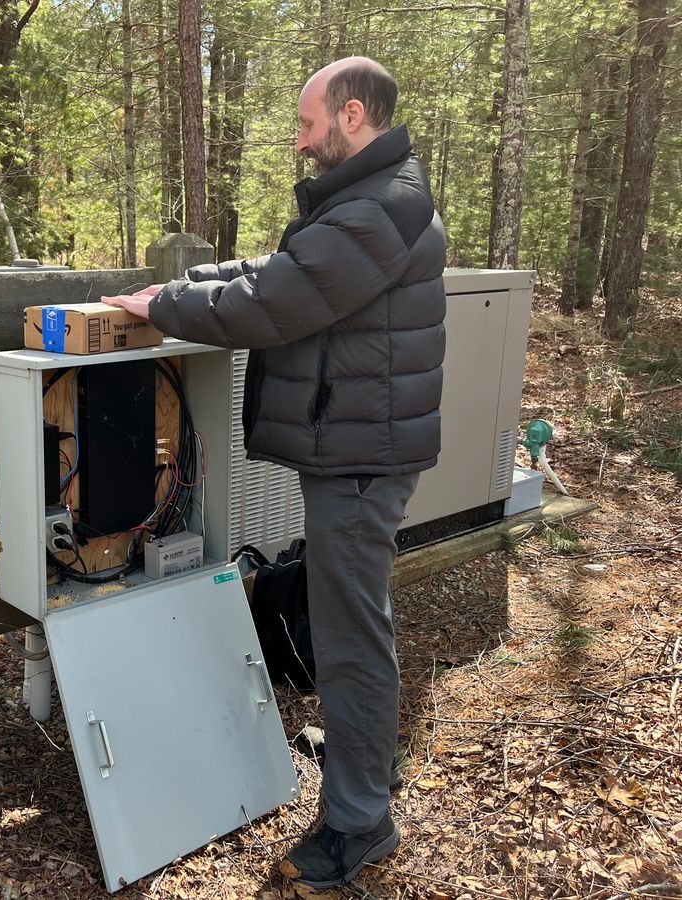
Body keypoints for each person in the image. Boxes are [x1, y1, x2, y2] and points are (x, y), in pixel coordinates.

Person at [103, 56, 446, 889]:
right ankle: (367, 767)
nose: (300, 141)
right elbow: (274, 269)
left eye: (307, 124)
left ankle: (359, 823)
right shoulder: (367, 203)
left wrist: (165, 308)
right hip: (360, 451)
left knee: (350, 635)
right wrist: (180, 286)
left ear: (353, 115)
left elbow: (271, 303)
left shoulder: (379, 208)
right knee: (357, 619)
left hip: (361, 460)